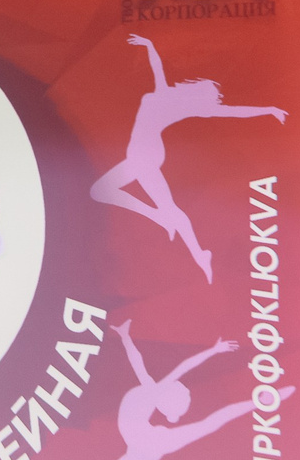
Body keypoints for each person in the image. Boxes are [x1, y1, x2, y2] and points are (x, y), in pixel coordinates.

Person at [25, 320, 293, 460]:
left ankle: (264, 400)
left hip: (149, 444)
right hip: (144, 443)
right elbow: (150, 363)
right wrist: (126, 336)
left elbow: (184, 370)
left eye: (179, 390)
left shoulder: (154, 395)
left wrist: (214, 351)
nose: (177, 383)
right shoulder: (151, 392)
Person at [90, 34, 286, 282]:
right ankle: (190, 245)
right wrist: (150, 45)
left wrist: (268, 109)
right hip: (141, 155)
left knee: (107, 192)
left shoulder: (175, 103)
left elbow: (233, 112)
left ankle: (182, 237)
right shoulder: (164, 93)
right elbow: (157, 66)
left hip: (145, 155)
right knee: (105, 192)